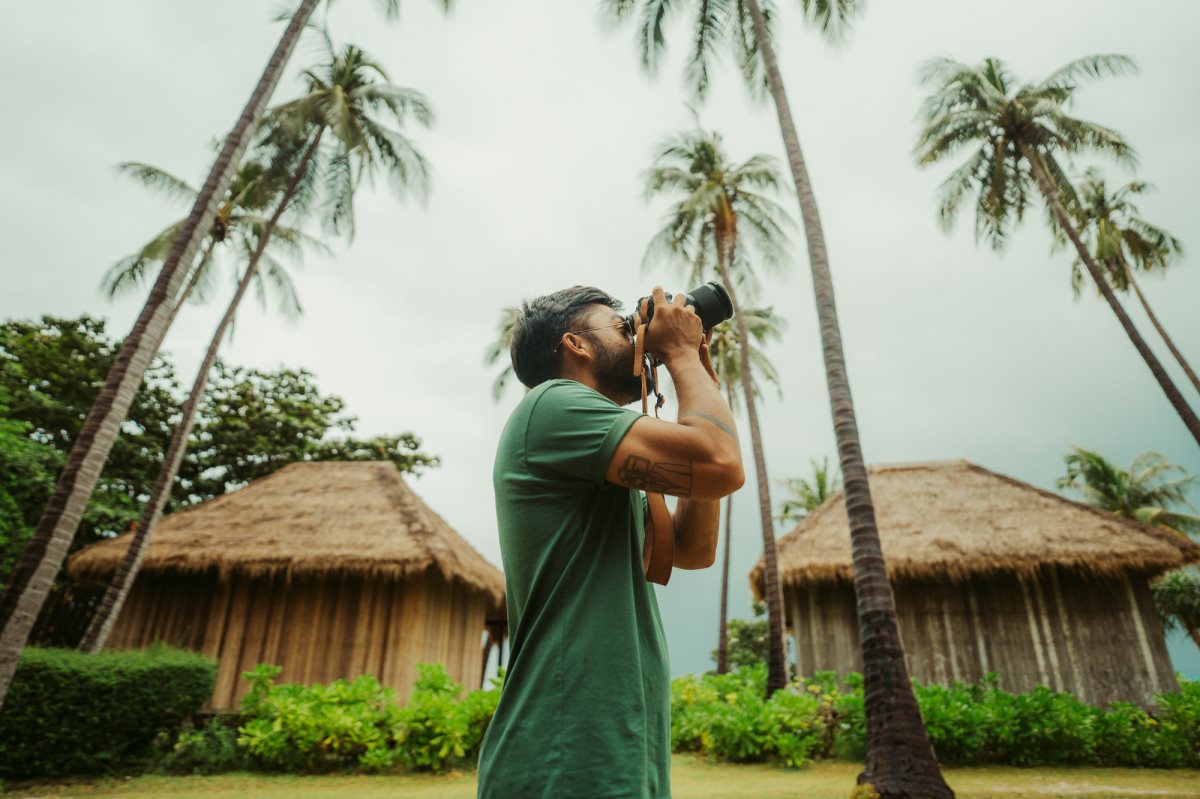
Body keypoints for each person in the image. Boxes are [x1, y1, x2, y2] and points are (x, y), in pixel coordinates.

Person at [477, 285, 745, 798]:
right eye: (623, 327)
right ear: (575, 345)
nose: (636, 333)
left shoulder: (595, 459)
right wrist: (681, 353)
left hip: (607, 752)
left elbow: (690, 548)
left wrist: (697, 368)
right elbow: (722, 464)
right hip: (564, 753)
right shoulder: (554, 405)